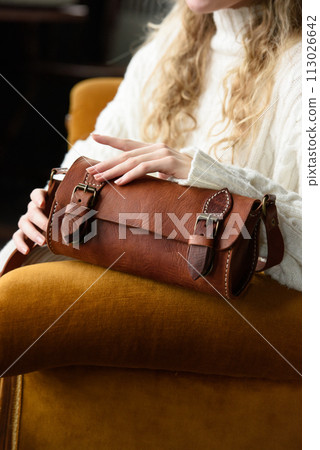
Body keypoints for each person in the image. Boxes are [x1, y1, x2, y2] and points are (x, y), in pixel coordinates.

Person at [0, 0, 302, 291]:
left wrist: (210, 176)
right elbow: (87, 166)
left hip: (237, 303)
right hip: (122, 269)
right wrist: (49, 206)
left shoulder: (303, 71)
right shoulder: (161, 51)